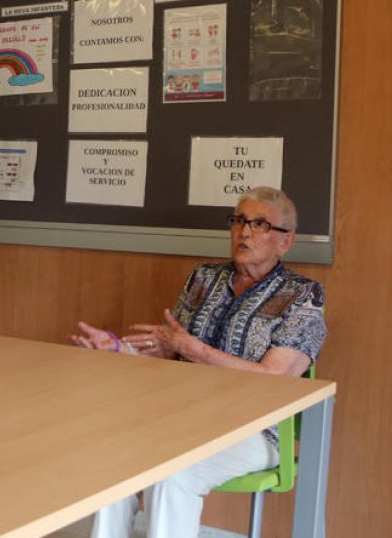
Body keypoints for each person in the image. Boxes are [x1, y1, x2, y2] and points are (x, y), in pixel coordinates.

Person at [69, 186, 326, 538]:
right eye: (239, 221)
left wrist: (195, 350)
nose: (245, 231)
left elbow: (274, 377)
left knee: (174, 473)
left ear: (285, 241)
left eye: (260, 224)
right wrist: (117, 350)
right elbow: (170, 351)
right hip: (183, 418)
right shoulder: (204, 278)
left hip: (255, 431)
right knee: (118, 459)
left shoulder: (302, 295)